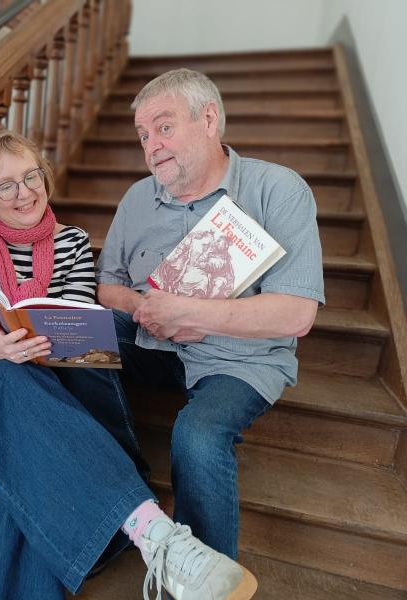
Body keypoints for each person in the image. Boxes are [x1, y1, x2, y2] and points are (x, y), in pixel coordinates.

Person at [0, 130, 258, 600]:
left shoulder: (74, 242)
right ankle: (151, 528)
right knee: (9, 381)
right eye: (7, 186)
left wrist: (46, 343)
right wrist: (1, 348)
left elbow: (77, 320)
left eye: (31, 176)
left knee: (31, 460)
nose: (24, 193)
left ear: (45, 177)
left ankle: (145, 529)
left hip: (51, 369)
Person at [96, 68, 325, 564]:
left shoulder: (279, 190)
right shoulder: (138, 198)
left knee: (196, 435)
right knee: (79, 342)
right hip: (152, 342)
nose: (151, 145)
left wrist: (195, 313)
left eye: (163, 126)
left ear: (209, 119)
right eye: (142, 135)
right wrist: (145, 307)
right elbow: (107, 287)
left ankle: (205, 578)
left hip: (237, 361)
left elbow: (298, 313)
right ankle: (114, 496)